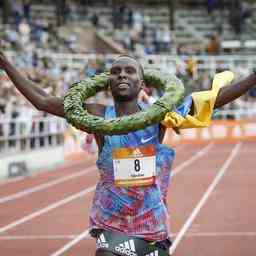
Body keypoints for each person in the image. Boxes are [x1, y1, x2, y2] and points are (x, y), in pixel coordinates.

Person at [1, 42, 256, 255]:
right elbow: (43, 101)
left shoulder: (160, 115)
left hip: (151, 220)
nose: (122, 74)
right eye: (116, 71)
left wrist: (253, 77)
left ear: (142, 83)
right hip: (110, 219)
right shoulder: (97, 115)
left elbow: (212, 100)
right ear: (108, 83)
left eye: (129, 71)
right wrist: (6, 64)